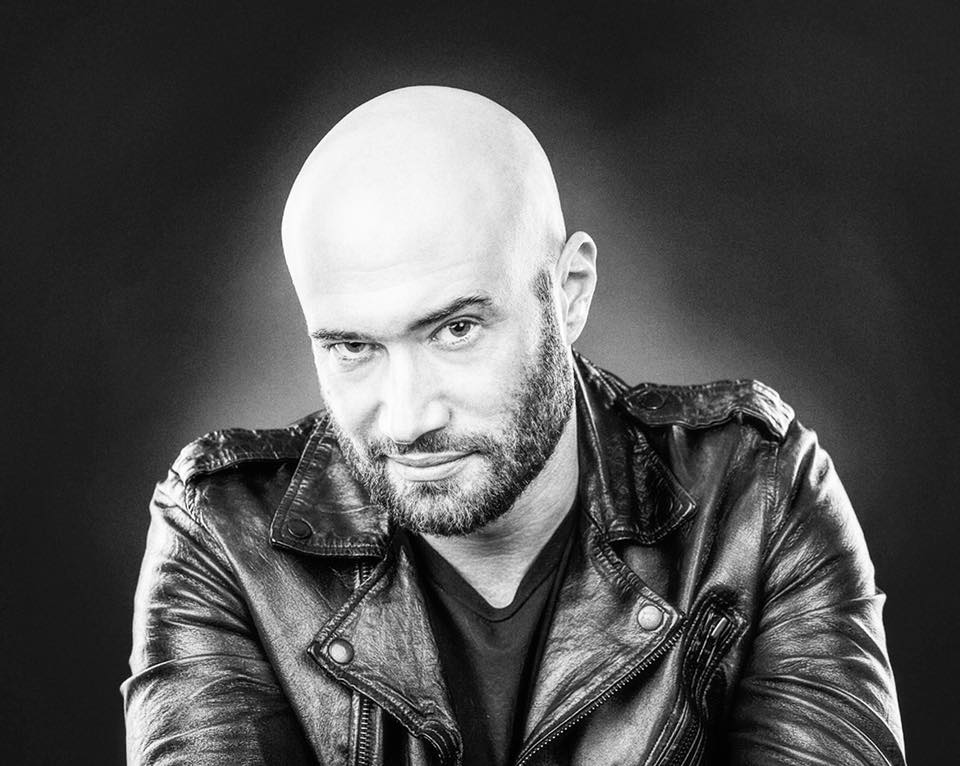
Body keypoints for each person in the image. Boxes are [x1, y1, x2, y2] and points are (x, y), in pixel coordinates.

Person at [122, 86, 905, 765]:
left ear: (569, 291)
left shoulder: (754, 493)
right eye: (353, 348)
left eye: (456, 330)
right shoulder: (225, 537)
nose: (409, 417)